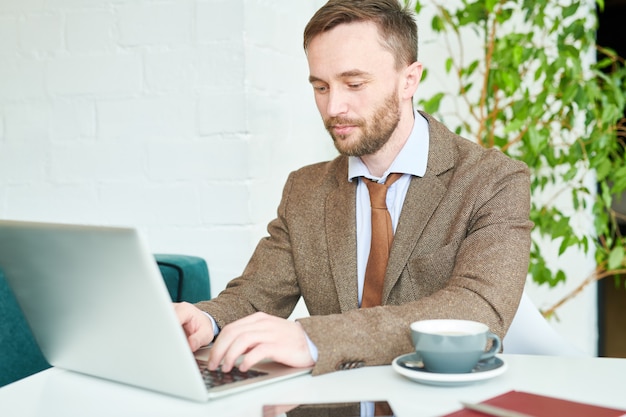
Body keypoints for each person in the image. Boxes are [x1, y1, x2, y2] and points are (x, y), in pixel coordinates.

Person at [175, 0, 533, 377]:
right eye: (320, 86)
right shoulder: (305, 190)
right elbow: (255, 296)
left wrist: (314, 339)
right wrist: (205, 318)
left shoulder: (492, 181)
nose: (334, 107)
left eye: (354, 83)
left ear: (409, 80)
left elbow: (477, 310)